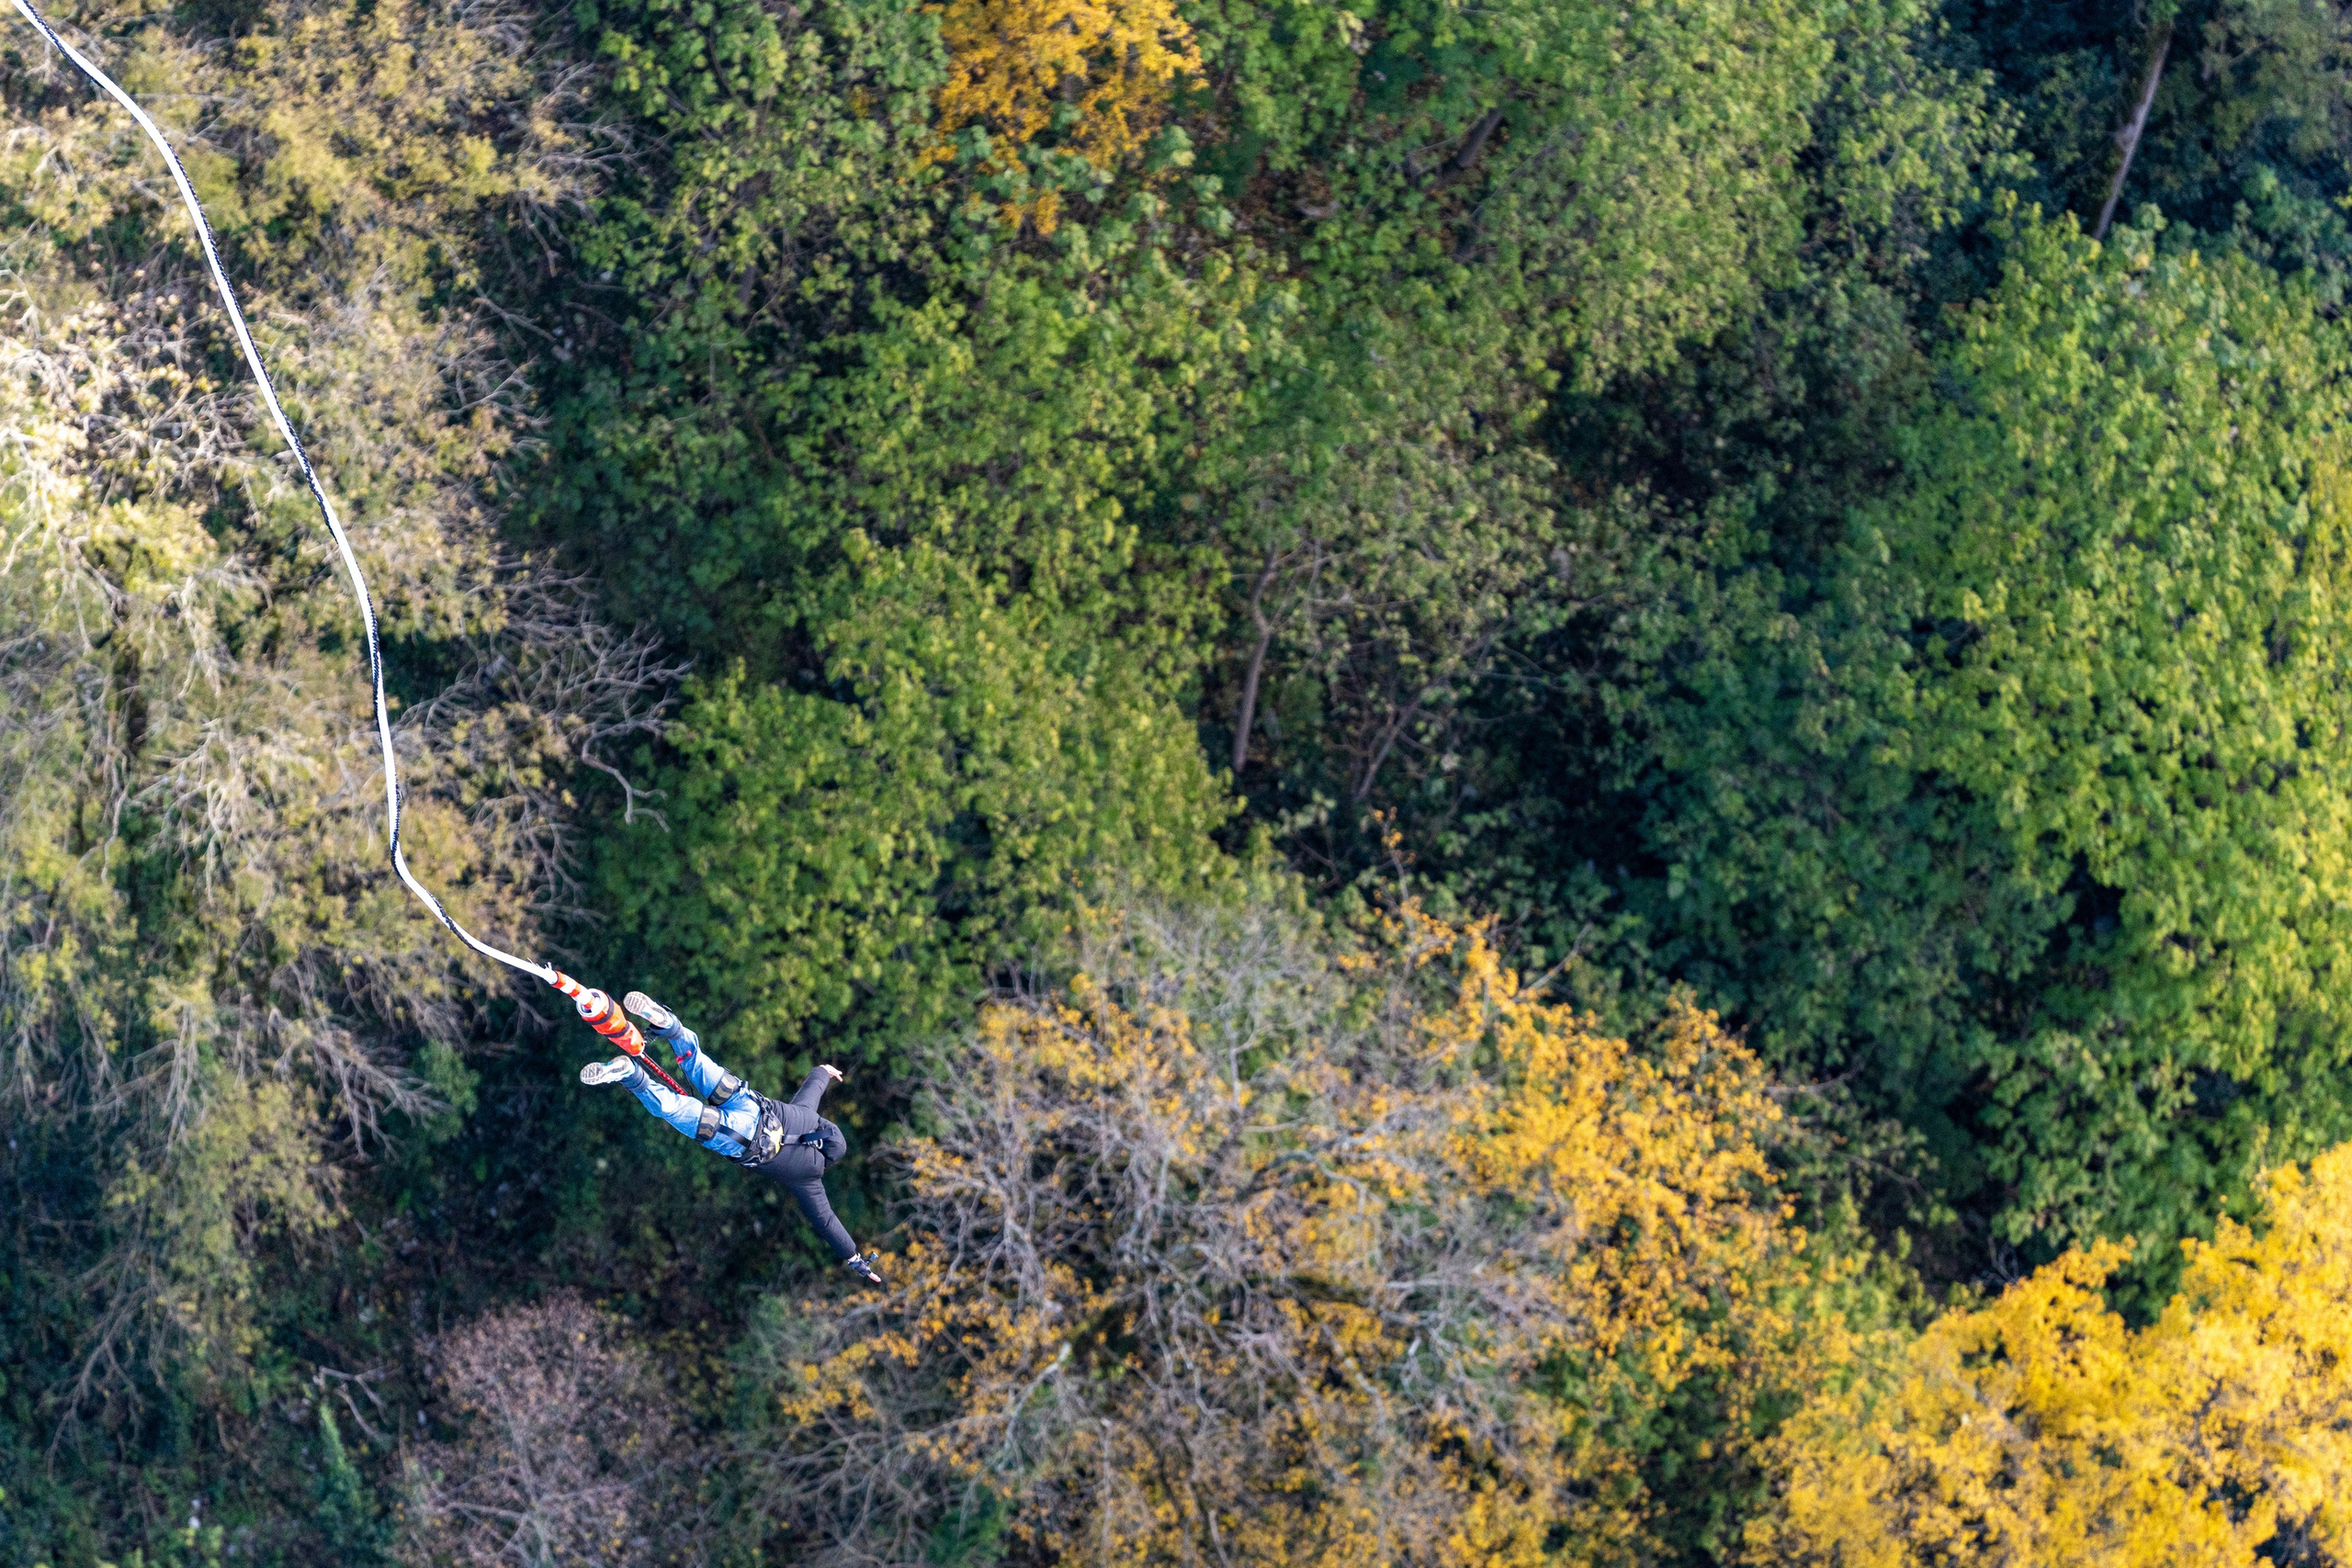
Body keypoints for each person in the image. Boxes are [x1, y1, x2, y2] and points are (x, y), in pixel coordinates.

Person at [579, 991, 884, 1285]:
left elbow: (814, 1084)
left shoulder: (808, 1113)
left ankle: (669, 1025)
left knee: (695, 1061)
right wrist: (854, 1257)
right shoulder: (809, 1178)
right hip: (737, 1137)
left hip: (745, 1100)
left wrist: (824, 1071)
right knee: (673, 1108)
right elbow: (826, 1221)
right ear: (827, 1158)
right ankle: (631, 1075)